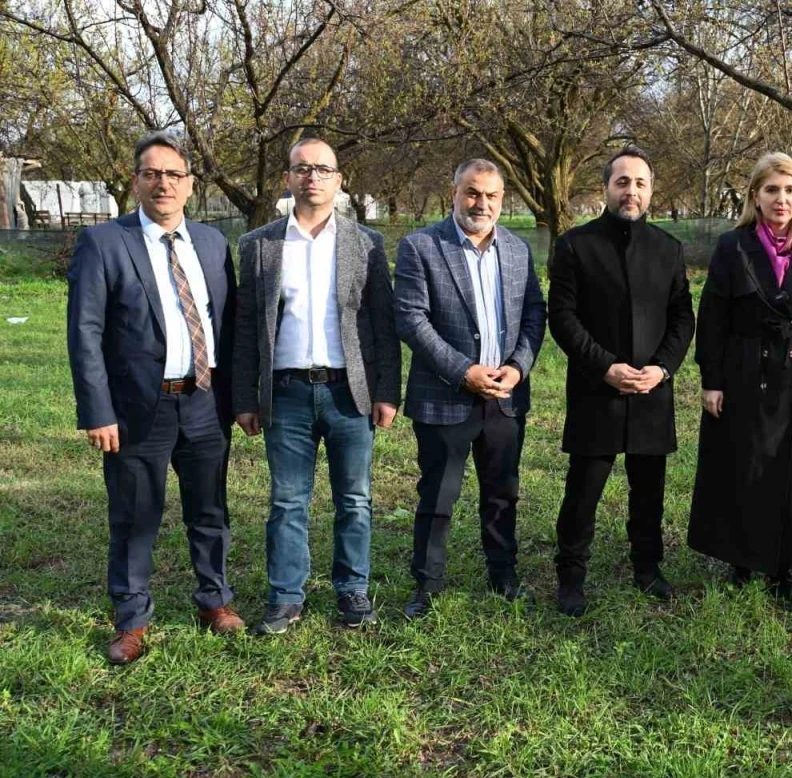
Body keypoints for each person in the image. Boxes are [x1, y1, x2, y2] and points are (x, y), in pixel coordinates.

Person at [67, 131, 242, 664]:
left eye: (173, 174)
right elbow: (85, 333)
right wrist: (98, 411)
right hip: (137, 409)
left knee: (210, 510)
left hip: (205, 403)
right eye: (151, 174)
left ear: (190, 184)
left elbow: (228, 325)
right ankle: (132, 620)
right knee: (134, 517)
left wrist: (238, 400)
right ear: (136, 182)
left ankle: (214, 600)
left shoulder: (211, 243)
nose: (163, 183)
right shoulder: (105, 242)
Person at [232, 138, 402, 634]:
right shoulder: (259, 245)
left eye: (323, 169)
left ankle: (352, 590)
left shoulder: (365, 243)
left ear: (338, 180)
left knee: (355, 499)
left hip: (350, 392)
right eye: (302, 168)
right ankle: (286, 596)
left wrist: (387, 392)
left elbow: (383, 323)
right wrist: (244, 397)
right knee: (287, 500)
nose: (312, 177)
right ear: (288, 177)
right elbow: (246, 327)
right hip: (285, 393)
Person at [687, 152, 792, 606]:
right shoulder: (732, 246)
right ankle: (742, 558)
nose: (782, 199)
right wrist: (712, 379)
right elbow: (713, 317)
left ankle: (784, 566)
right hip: (743, 368)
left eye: (790, 190)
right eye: (772, 190)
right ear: (755, 196)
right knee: (745, 463)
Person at [547, 145, 695, 617]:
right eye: (622, 182)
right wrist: (604, 366)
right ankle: (571, 575)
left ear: (651, 191)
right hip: (597, 389)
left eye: (640, 183)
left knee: (649, 491)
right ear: (606, 187)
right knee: (583, 491)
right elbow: (562, 317)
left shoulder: (669, 249)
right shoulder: (575, 245)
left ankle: (648, 568)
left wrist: (662, 368)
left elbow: (682, 317)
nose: (631, 191)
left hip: (652, 389)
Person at [394, 158, 546, 617]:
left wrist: (518, 367)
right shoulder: (421, 246)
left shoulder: (517, 249)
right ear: (455, 193)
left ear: (502, 199)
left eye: (491, 195)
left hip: (505, 396)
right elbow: (411, 319)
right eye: (473, 193)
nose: (482, 203)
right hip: (446, 395)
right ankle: (427, 585)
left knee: (503, 492)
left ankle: (503, 574)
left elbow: (534, 313)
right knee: (438, 495)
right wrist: (464, 371)